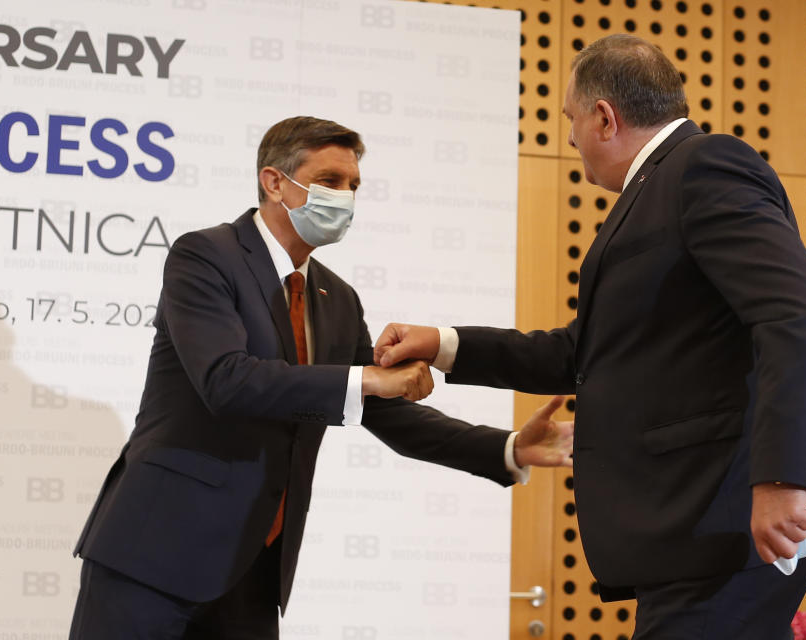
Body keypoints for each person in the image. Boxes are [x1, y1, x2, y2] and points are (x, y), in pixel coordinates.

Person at [375, 34, 806, 639]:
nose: (569, 139)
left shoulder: (704, 166)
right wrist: (444, 344)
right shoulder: (658, 188)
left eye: (569, 119)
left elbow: (798, 318)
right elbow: (585, 354)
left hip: (724, 520)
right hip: (692, 534)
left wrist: (782, 479)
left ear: (604, 117)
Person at [68, 116, 574, 639]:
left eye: (353, 186)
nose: (346, 198)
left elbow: (385, 411)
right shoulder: (205, 257)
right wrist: (368, 379)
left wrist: (508, 448)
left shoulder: (338, 298)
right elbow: (226, 380)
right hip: (152, 556)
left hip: (254, 570)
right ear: (274, 182)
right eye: (330, 181)